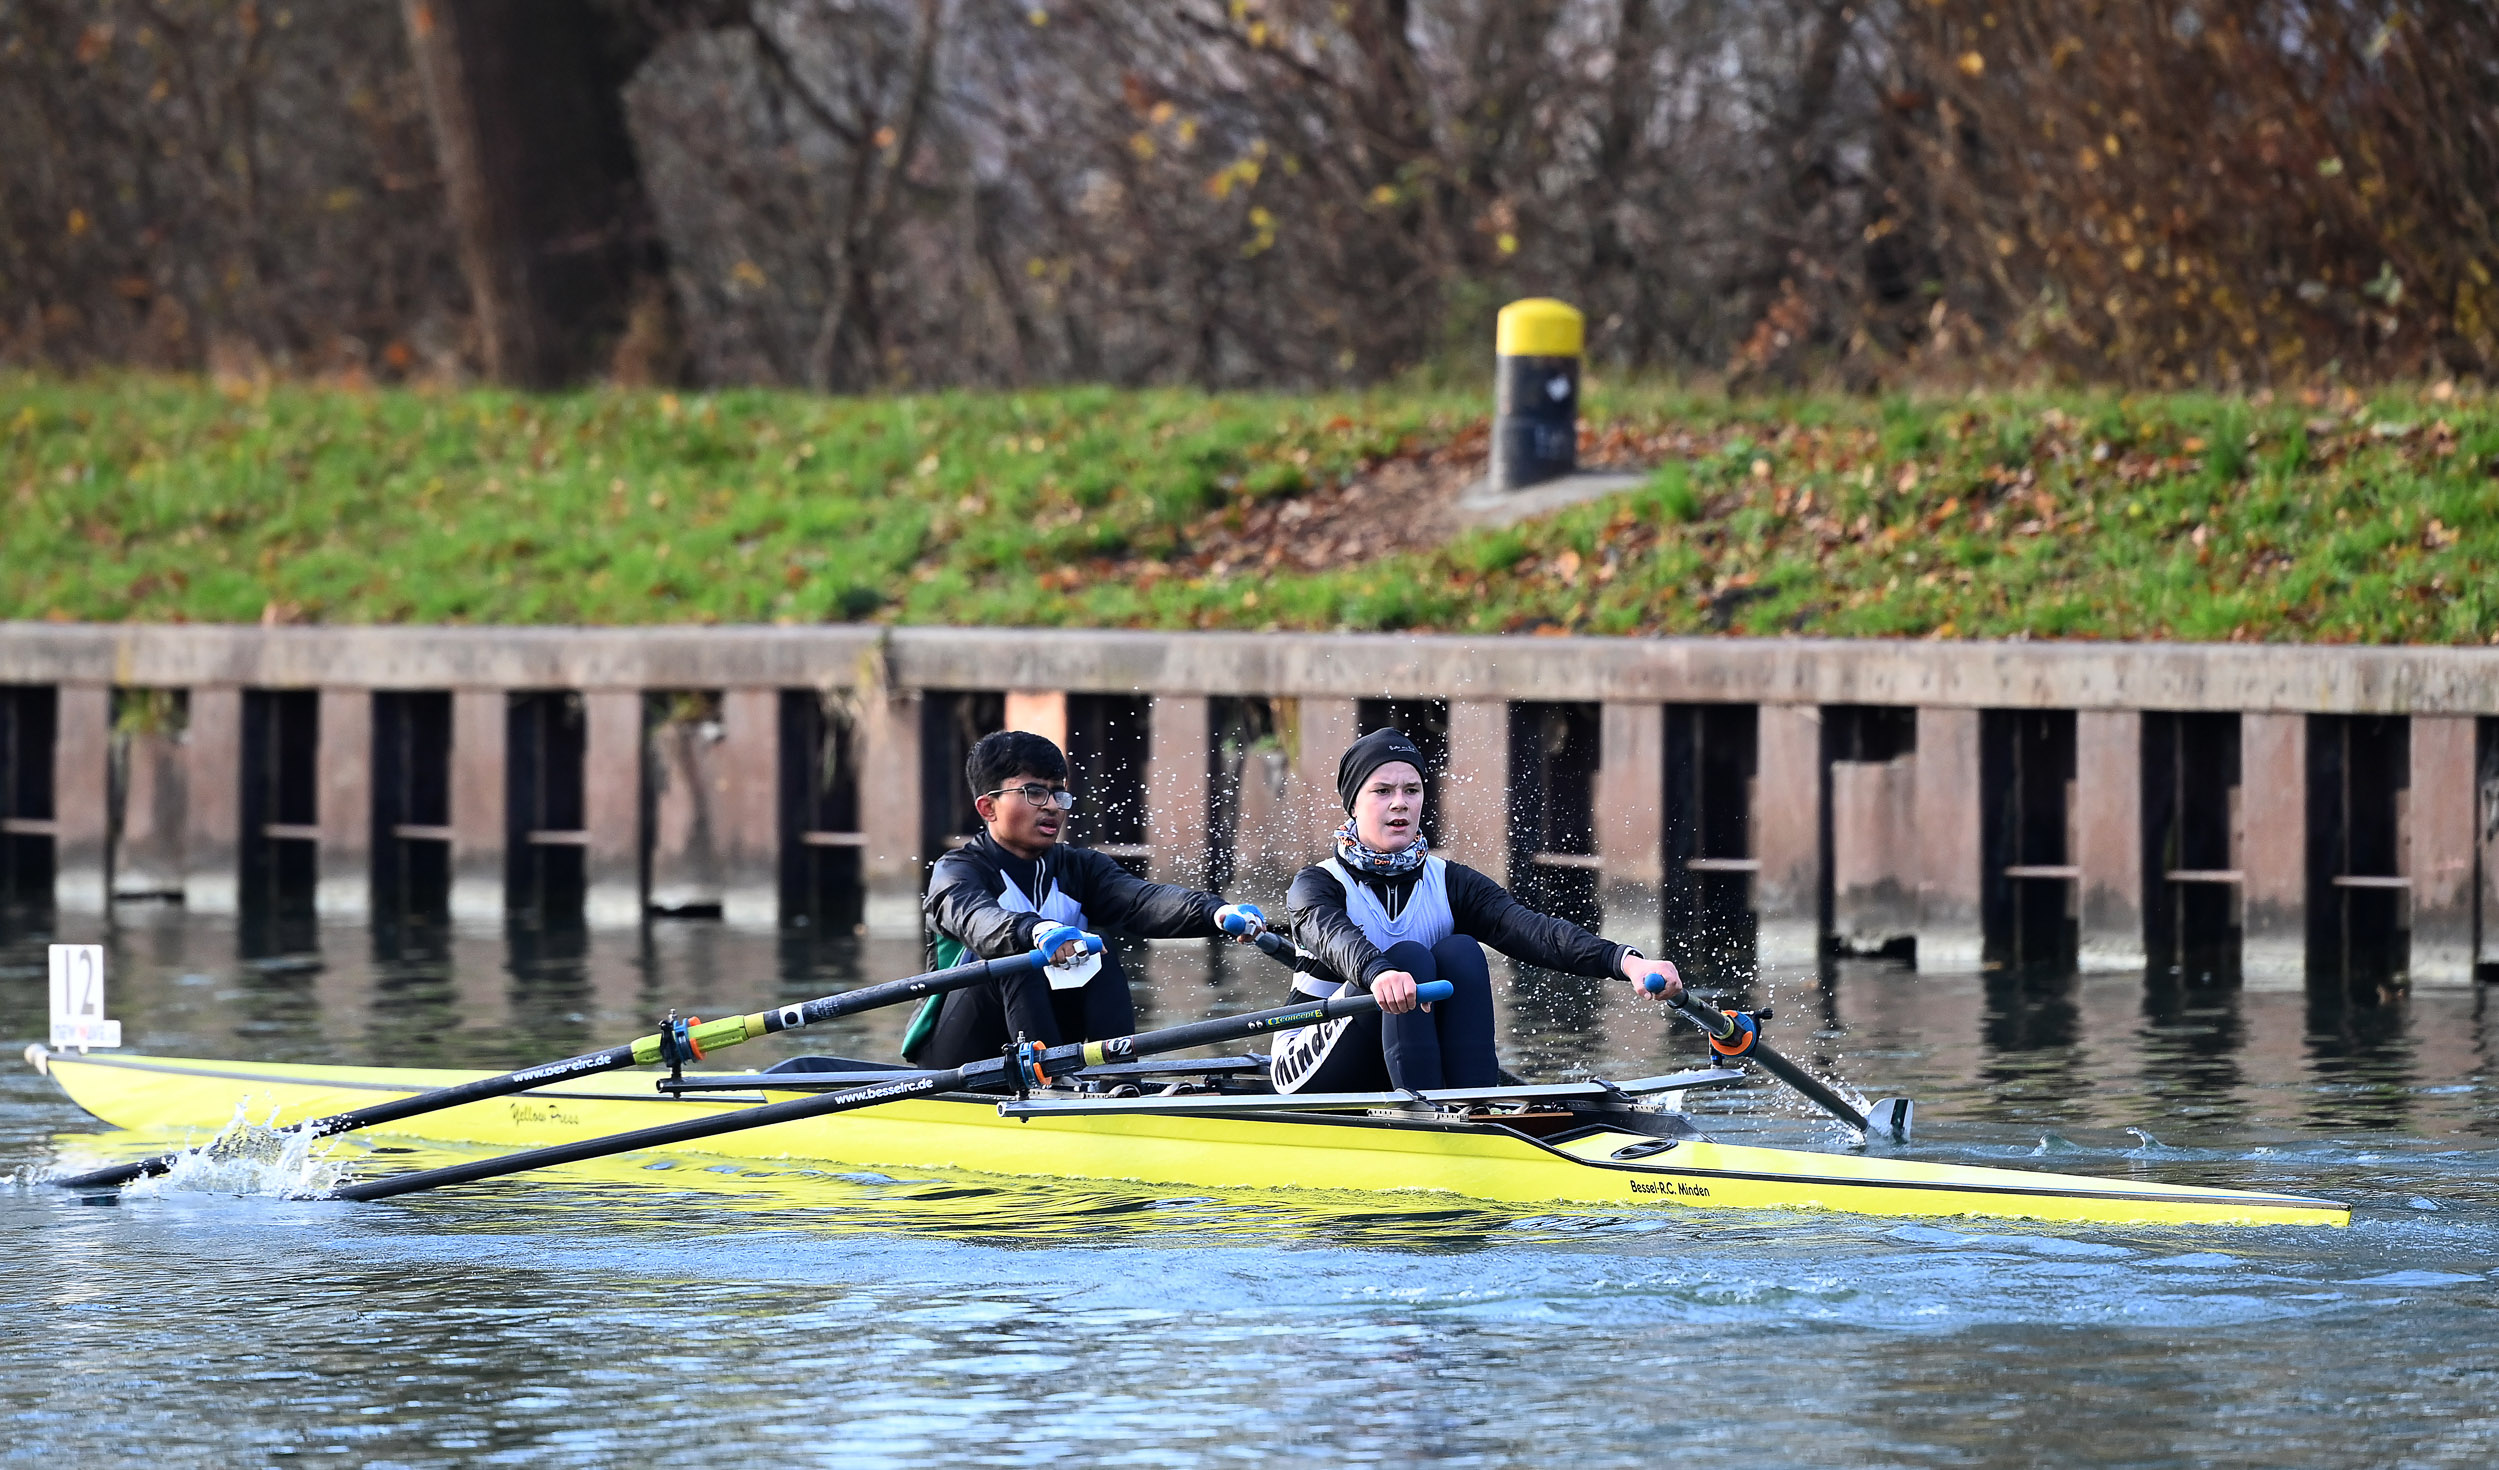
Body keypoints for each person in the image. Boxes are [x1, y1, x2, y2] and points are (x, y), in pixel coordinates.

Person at [1276, 727, 1683, 1094]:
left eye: (1412, 790)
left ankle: (1474, 1102)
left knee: (1461, 952)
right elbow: (1335, 939)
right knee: (1408, 958)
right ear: (1353, 804)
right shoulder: (1316, 885)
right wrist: (1379, 973)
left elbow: (1532, 931)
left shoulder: (1450, 881)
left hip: (1402, 1053)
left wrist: (1624, 961)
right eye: (1382, 791)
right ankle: (1428, 1115)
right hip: (1310, 1057)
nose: (1400, 804)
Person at [908, 728, 1269, 1068]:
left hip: (1043, 1043)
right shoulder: (956, 871)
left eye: (1058, 793)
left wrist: (1216, 912)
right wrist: (1035, 931)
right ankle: (1051, 1085)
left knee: (1098, 948)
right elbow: (979, 920)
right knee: (1017, 957)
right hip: (955, 1054)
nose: (1052, 806)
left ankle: (1117, 1078)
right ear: (988, 808)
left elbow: (1143, 900)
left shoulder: (1080, 868)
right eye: (1035, 793)